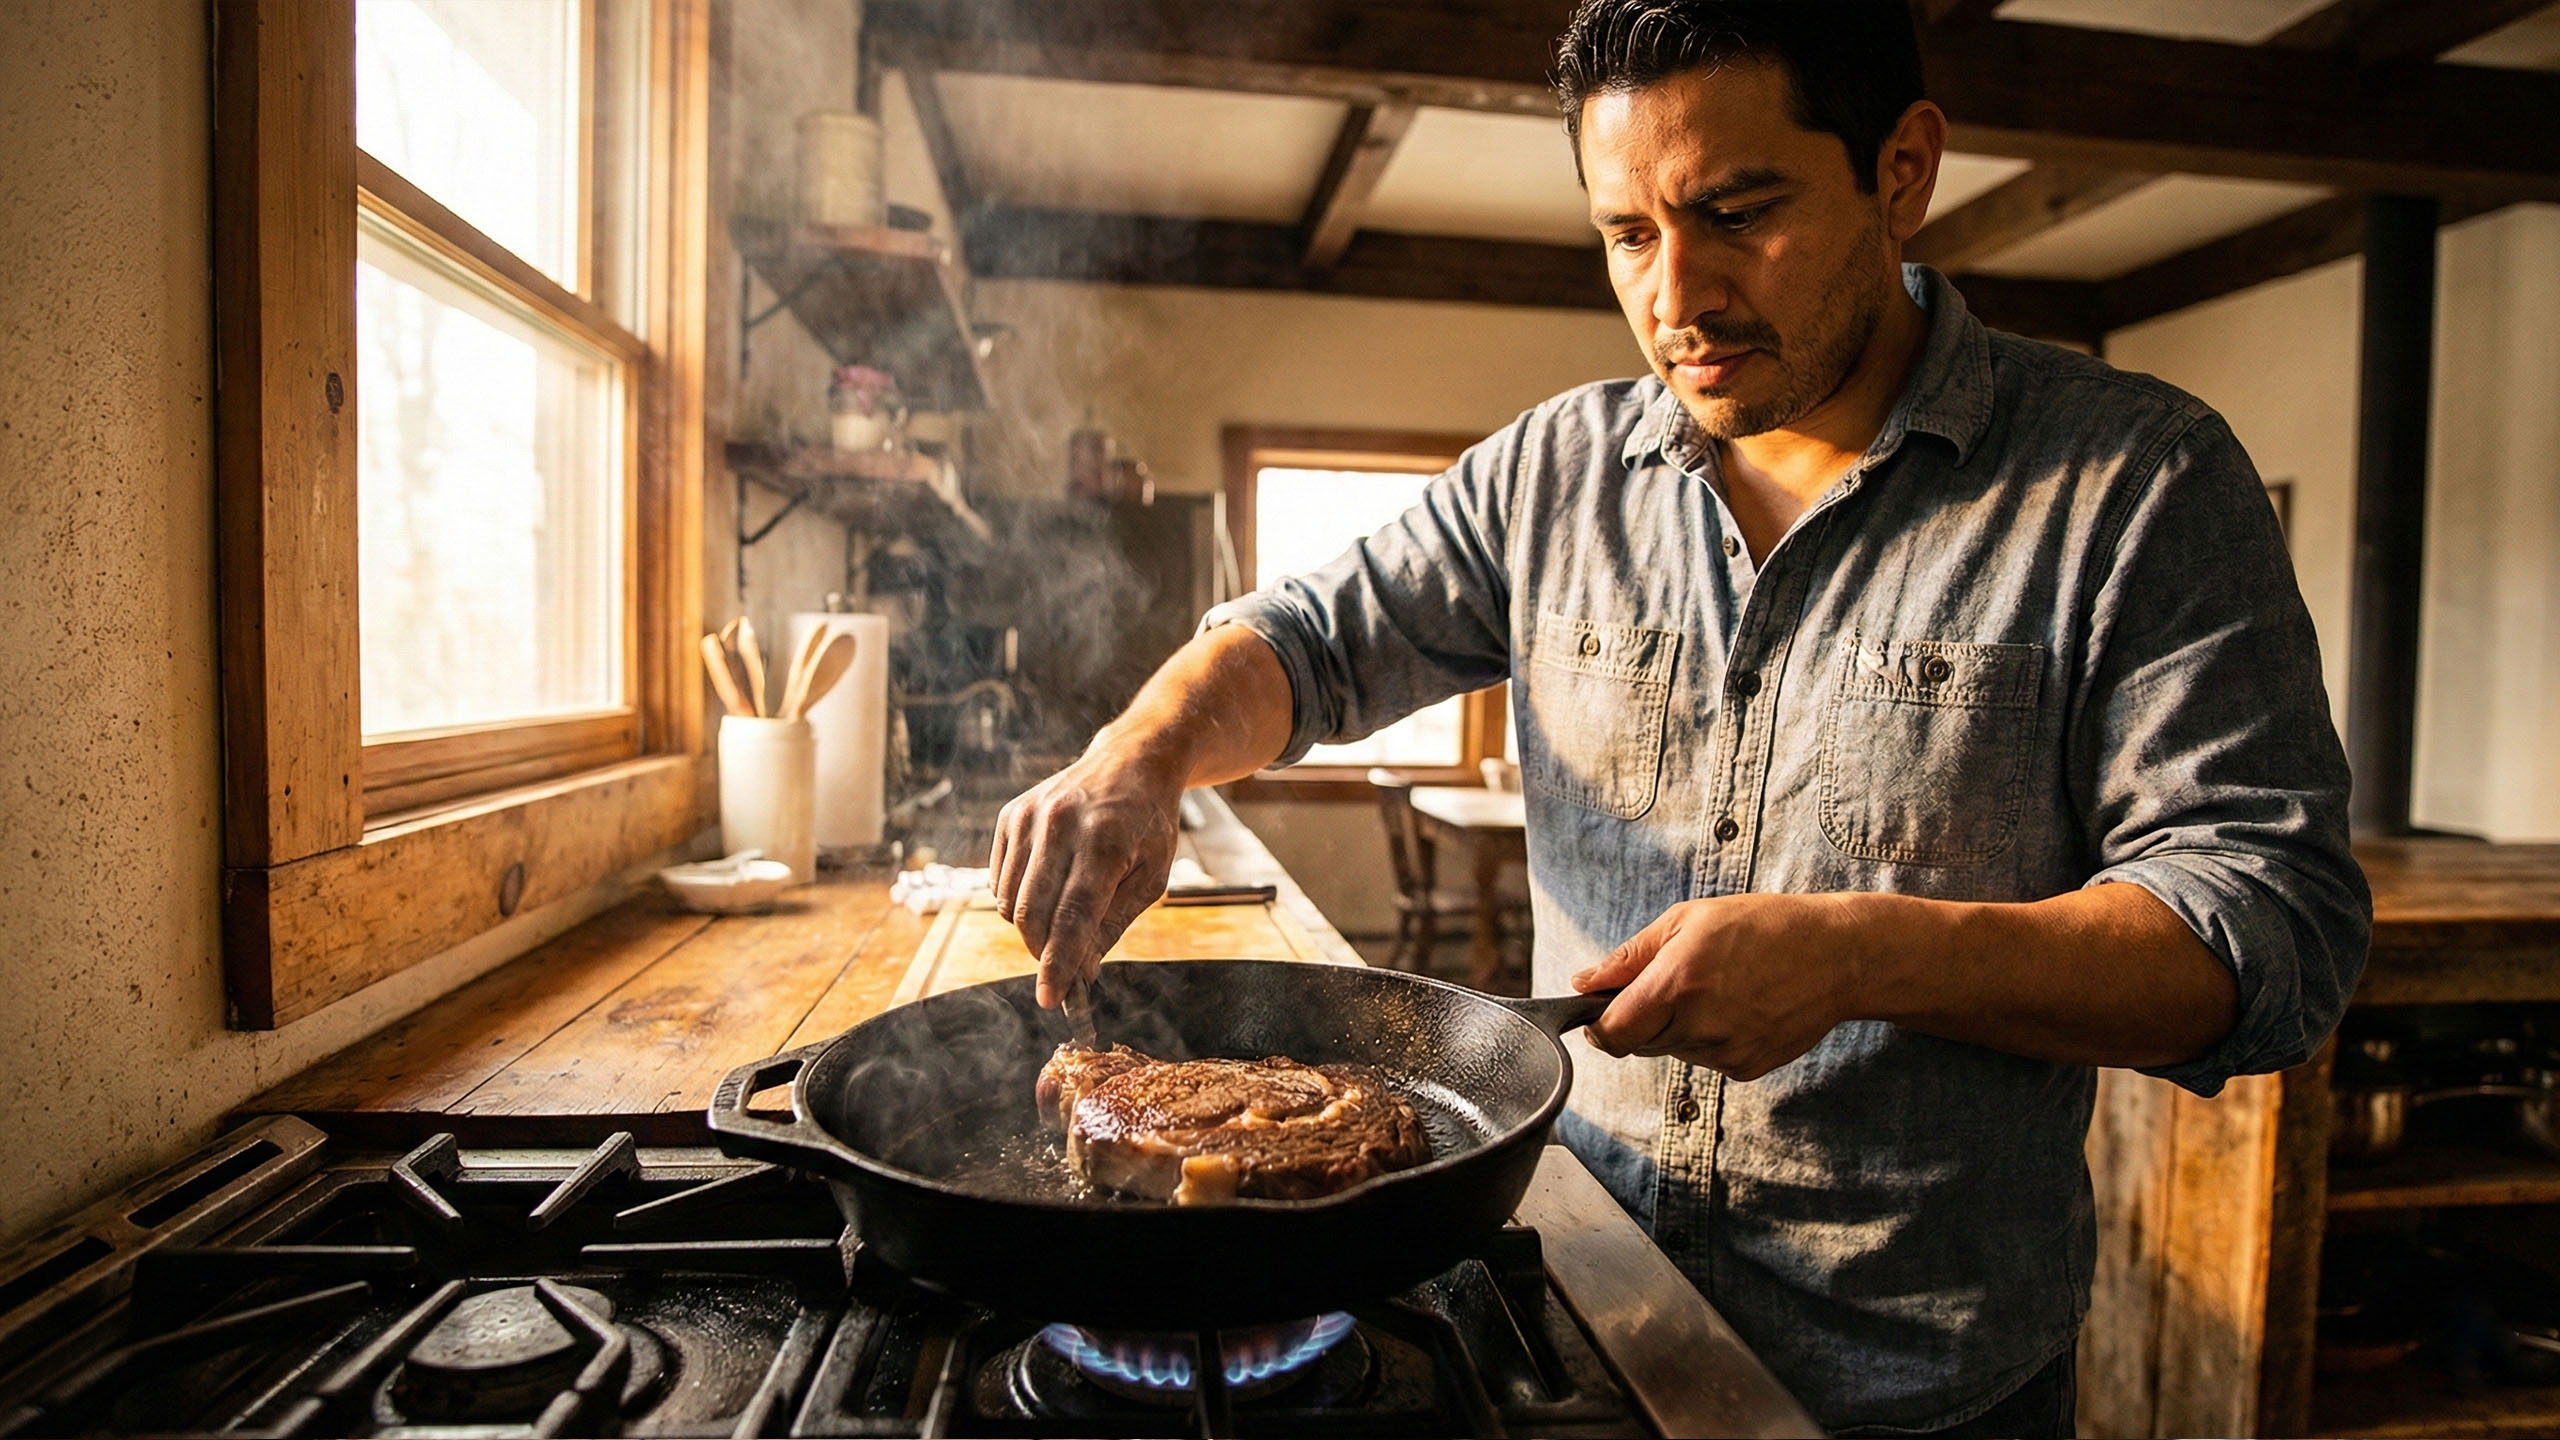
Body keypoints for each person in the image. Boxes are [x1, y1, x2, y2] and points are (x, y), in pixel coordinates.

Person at [988, 2, 2371, 1433]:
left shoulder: (2133, 485)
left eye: (1738, 211)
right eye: (1628, 235)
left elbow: (2270, 932)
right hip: (1566, 1314)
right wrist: (1139, 752)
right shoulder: (1551, 476)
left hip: (1918, 1384)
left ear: (1904, 169)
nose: (1678, 295)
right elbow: (1305, 639)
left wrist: (1868, 955)